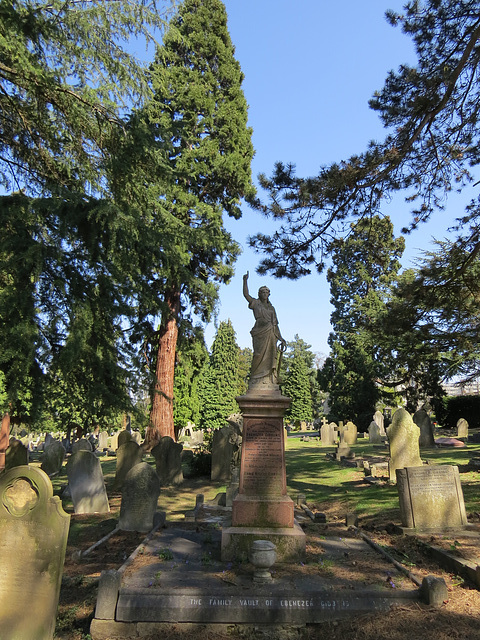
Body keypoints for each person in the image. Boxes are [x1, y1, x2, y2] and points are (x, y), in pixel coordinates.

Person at [243, 271, 286, 387]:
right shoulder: (256, 303)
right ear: (259, 294)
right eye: (263, 292)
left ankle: (269, 379)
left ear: (269, 294)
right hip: (259, 333)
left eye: (267, 292)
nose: (265, 294)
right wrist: (245, 281)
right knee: (258, 355)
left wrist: (281, 338)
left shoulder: (272, 308)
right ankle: (255, 379)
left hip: (271, 333)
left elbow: (275, 324)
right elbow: (246, 295)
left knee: (271, 356)